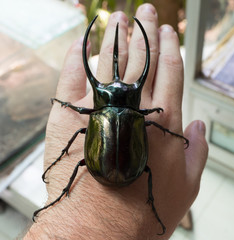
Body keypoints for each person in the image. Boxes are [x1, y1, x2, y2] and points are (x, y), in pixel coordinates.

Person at [24, 3, 208, 240]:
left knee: (81, 157)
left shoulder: (96, 115)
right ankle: (146, 201)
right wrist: (169, 130)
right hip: (132, 171)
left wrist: (69, 108)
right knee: (147, 169)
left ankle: (63, 194)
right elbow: (150, 131)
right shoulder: (140, 118)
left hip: (102, 169)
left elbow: (81, 127)